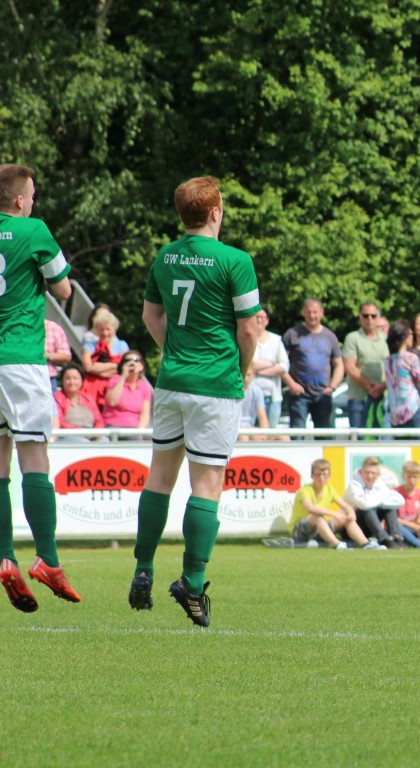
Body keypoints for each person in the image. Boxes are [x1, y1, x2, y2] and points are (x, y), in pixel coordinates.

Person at [127, 175, 263, 628]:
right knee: (206, 485)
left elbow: (151, 315)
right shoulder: (236, 260)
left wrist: (175, 352)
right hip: (215, 385)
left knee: (159, 477)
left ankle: (143, 567)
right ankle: (192, 581)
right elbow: (248, 328)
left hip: (171, 381)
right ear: (215, 211)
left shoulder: (166, 255)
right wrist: (243, 366)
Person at [0, 164, 82, 612]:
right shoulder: (34, 231)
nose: (33, 201)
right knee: (34, 458)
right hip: (20, 359)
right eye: (31, 194)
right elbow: (64, 289)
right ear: (19, 199)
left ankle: (4, 556)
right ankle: (48, 559)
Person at [282, 298, 344, 434]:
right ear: (303, 313)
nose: (312, 316)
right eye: (309, 312)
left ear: (322, 312)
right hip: (299, 394)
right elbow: (281, 363)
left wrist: (332, 387)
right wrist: (291, 384)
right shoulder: (292, 334)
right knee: (297, 435)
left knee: (324, 436)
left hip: (323, 394)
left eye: (315, 312)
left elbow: (339, 365)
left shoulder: (330, 336)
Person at [289, 459, 380, 549]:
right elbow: (311, 508)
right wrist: (335, 514)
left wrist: (350, 513)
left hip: (319, 528)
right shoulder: (305, 490)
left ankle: (365, 544)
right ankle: (336, 544)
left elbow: (346, 506)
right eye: (318, 475)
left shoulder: (329, 489)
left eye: (325, 475)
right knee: (316, 516)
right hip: (299, 531)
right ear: (312, 476)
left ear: (329, 477)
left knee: (347, 519)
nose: (321, 478)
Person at [342, 301, 389, 429]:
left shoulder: (386, 339)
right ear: (360, 317)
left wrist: (381, 387)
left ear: (378, 317)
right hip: (359, 398)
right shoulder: (352, 338)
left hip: (384, 397)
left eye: (373, 316)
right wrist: (369, 387)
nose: (370, 319)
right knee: (359, 438)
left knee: (383, 438)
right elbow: (350, 367)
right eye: (366, 315)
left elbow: (392, 368)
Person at [343, 456, 407, 547]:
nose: (370, 476)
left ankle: (396, 537)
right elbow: (364, 505)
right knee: (368, 509)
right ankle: (384, 539)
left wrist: (370, 498)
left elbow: (400, 500)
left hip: (368, 529)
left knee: (389, 508)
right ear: (361, 471)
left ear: (378, 475)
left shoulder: (379, 484)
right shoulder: (353, 485)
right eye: (367, 472)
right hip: (349, 528)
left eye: (373, 473)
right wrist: (383, 496)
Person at [383, 319, 420, 432]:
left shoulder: (387, 361)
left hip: (395, 413)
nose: (413, 337)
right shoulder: (410, 358)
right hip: (412, 408)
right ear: (405, 337)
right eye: (411, 334)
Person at [80, 308, 129, 408]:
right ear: (97, 330)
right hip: (91, 388)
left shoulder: (122, 345)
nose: (105, 333)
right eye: (101, 329)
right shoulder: (89, 345)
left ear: (114, 330)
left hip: (115, 387)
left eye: (108, 329)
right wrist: (114, 365)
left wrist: (95, 369)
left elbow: (123, 369)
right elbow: (87, 367)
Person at [251, 307, 289, 430]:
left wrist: (257, 370)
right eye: (256, 317)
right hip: (251, 396)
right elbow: (250, 365)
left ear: (267, 320)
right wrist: (272, 364)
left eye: (261, 317)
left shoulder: (276, 340)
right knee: (252, 434)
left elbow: (284, 366)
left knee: (270, 434)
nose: (259, 320)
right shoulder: (246, 339)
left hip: (273, 397)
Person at [102, 349, 153, 435]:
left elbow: (145, 415)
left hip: (135, 428)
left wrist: (139, 433)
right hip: (115, 426)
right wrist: (123, 376)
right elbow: (112, 402)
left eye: (136, 360)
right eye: (128, 361)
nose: (132, 363)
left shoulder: (144, 387)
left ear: (141, 365)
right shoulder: (115, 380)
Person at [53, 364, 106, 441]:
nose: (72, 382)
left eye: (75, 378)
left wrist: (95, 432)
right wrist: (81, 431)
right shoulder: (56, 398)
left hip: (91, 434)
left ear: (82, 380)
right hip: (68, 436)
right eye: (68, 378)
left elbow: (99, 421)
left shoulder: (88, 398)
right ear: (62, 381)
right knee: (82, 442)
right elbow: (60, 421)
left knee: (104, 440)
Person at [394, 460, 420, 548]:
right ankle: (418, 544)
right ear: (403, 476)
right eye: (409, 477)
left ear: (419, 478)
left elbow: (419, 518)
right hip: (400, 528)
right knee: (397, 526)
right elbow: (393, 519)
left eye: (415, 477)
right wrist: (413, 526)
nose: (412, 480)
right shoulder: (395, 493)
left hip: (414, 528)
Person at [237, 366, 270, 441]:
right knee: (244, 437)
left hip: (250, 428)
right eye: (243, 374)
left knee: (284, 437)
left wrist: (264, 435)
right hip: (236, 429)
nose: (245, 378)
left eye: (248, 375)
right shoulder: (232, 391)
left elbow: (263, 417)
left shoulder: (257, 390)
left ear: (253, 374)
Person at [44, 318, 71, 391]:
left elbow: (66, 355)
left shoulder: (53, 327)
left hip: (48, 378)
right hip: (24, 376)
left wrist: (47, 355)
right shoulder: (19, 325)